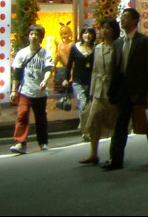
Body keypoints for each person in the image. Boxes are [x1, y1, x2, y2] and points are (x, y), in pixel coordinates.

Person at [102, 7, 148, 171]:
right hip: (122, 91)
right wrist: (111, 92)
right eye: (122, 17)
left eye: (126, 17)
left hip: (140, 90)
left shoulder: (144, 41)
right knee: (120, 125)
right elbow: (115, 69)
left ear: (135, 21)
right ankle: (116, 159)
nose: (123, 20)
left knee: (147, 122)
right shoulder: (118, 43)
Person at [80, 19, 120, 165]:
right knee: (94, 120)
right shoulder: (98, 48)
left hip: (113, 91)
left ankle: (114, 153)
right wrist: (92, 91)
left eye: (108, 28)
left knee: (114, 122)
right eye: (103, 28)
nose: (105, 30)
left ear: (114, 30)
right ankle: (93, 153)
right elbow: (95, 71)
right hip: (98, 91)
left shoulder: (118, 47)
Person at [9, 25, 54, 154]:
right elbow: (17, 74)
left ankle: (43, 142)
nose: (34, 37)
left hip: (40, 92)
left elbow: (48, 69)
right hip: (25, 91)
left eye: (37, 34)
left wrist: (45, 81)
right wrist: (14, 90)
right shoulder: (22, 53)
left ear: (41, 37)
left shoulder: (45, 53)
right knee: (22, 115)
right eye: (32, 34)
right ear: (28, 36)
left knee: (41, 118)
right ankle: (20, 143)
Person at [63, 25, 96, 115]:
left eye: (90, 33)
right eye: (85, 33)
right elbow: (69, 64)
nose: (87, 35)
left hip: (91, 82)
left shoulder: (96, 48)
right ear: (81, 35)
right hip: (78, 81)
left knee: (90, 104)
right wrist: (66, 78)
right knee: (83, 102)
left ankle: (86, 125)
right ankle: (83, 125)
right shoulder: (75, 47)